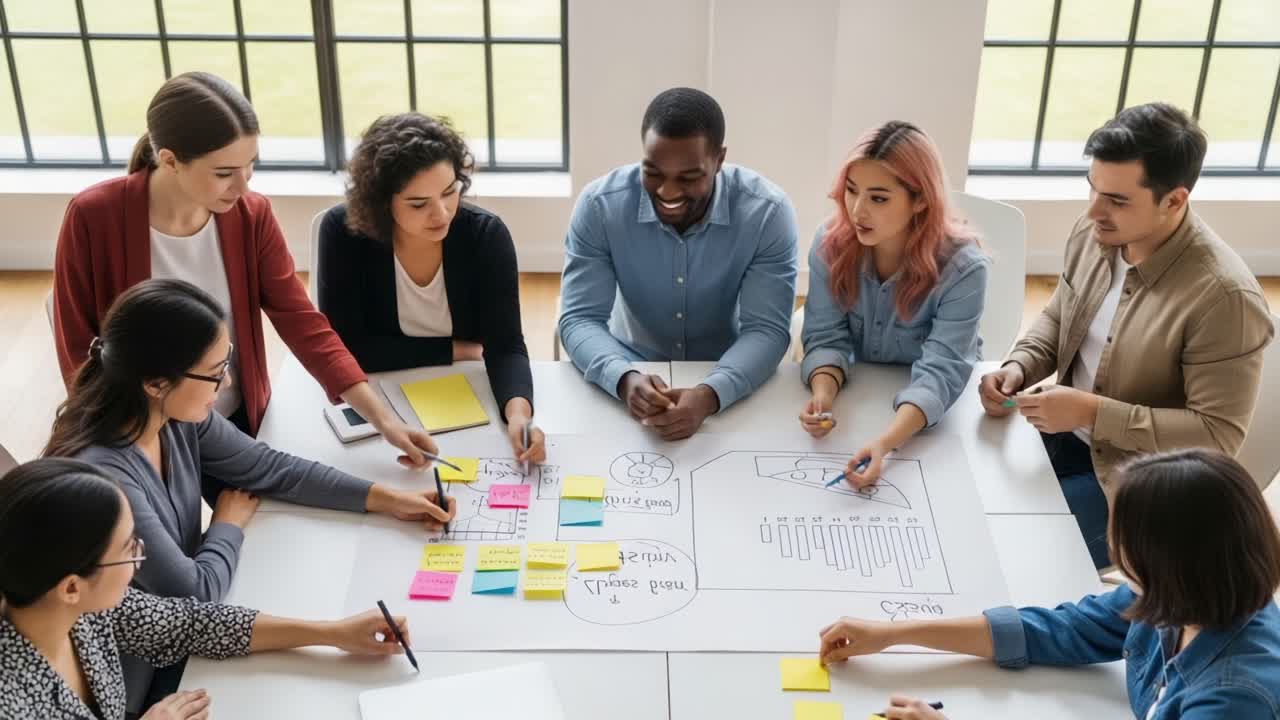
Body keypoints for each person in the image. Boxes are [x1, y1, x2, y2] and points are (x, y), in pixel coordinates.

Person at [42, 279, 456, 712]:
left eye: (227, 363)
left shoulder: (176, 416)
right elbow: (194, 596)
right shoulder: (107, 478)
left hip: (192, 633)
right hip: (146, 685)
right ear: (156, 383)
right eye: (214, 372)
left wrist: (387, 498)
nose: (228, 383)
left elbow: (270, 468)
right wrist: (225, 527)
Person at [51, 71, 438, 473]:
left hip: (233, 420)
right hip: (140, 433)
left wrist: (383, 417)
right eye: (224, 173)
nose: (242, 186)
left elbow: (301, 321)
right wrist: (128, 442)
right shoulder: (93, 216)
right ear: (170, 160)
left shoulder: (251, 216)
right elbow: (78, 344)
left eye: (249, 166)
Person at [976, 103, 1274, 569]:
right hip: (1054, 437)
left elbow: (1218, 436)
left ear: (1174, 201)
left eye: (1117, 200)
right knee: (955, 503)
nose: (1094, 211)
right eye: (1094, 190)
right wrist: (1018, 365)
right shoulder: (1097, 232)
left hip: (1137, 485)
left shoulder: (1224, 299)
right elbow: (1060, 314)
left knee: (1004, 553)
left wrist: (1093, 413)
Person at [817, 449, 1280, 719]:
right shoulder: (1187, 597)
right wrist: (896, 633)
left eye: (1124, 542)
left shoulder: (1234, 699)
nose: (1114, 552)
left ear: (1170, 565)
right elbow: (1061, 629)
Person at [0, 457, 424, 720]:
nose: (141, 556)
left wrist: (332, 633)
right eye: (129, 547)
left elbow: (192, 624)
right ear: (71, 586)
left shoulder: (81, 610)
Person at [558, 87, 799, 440]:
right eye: (653, 172)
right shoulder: (599, 206)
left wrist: (709, 395)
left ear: (719, 159)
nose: (668, 192)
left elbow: (766, 330)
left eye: (689, 177)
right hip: (630, 363)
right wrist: (623, 378)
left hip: (727, 371)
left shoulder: (768, 213)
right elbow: (579, 317)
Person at [318, 112, 544, 464]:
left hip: (467, 397)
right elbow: (347, 349)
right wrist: (454, 349)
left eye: (449, 191)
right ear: (382, 203)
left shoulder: (486, 236)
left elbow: (505, 345)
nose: (441, 213)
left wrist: (518, 416)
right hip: (380, 400)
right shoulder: (344, 233)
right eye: (418, 204)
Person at [799, 121, 987, 486]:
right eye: (852, 191)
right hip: (860, 390)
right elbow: (825, 337)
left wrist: (885, 444)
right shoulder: (830, 242)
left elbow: (941, 372)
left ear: (919, 200)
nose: (857, 211)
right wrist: (823, 398)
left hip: (925, 412)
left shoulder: (965, 268)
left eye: (879, 198)